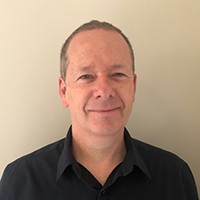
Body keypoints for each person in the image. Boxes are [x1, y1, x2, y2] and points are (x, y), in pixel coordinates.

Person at [0, 20, 199, 200]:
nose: (104, 91)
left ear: (134, 87)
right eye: (86, 76)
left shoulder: (175, 177)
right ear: (63, 91)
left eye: (118, 74)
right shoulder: (20, 182)